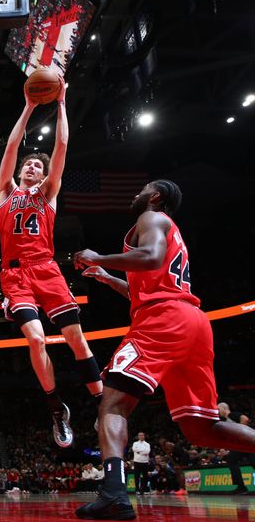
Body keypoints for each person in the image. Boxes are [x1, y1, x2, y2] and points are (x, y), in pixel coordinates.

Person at [74, 180, 255, 519]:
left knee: (113, 403)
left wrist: (100, 257)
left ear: (155, 197)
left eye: (141, 189)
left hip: (163, 320)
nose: (135, 195)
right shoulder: (170, 230)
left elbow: (150, 257)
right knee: (201, 428)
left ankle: (113, 492)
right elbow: (148, 286)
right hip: (192, 322)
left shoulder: (151, 218)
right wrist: (109, 278)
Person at [0, 80, 102, 448]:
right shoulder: (5, 191)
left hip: (46, 268)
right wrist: (27, 106)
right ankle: (55, 406)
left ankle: (103, 403)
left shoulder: (49, 193)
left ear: (43, 176)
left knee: (75, 338)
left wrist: (62, 105)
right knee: (36, 337)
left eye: (37, 166)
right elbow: (11, 147)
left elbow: (62, 146)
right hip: (15, 273)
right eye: (28, 165)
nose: (31, 167)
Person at [218, 402, 253, 494]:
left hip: (249, 442)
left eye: (219, 409)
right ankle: (241, 487)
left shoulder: (231, 415)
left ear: (224, 409)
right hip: (244, 445)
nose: (218, 412)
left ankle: (242, 487)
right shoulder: (225, 422)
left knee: (232, 460)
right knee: (231, 460)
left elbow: (245, 419)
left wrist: (241, 433)